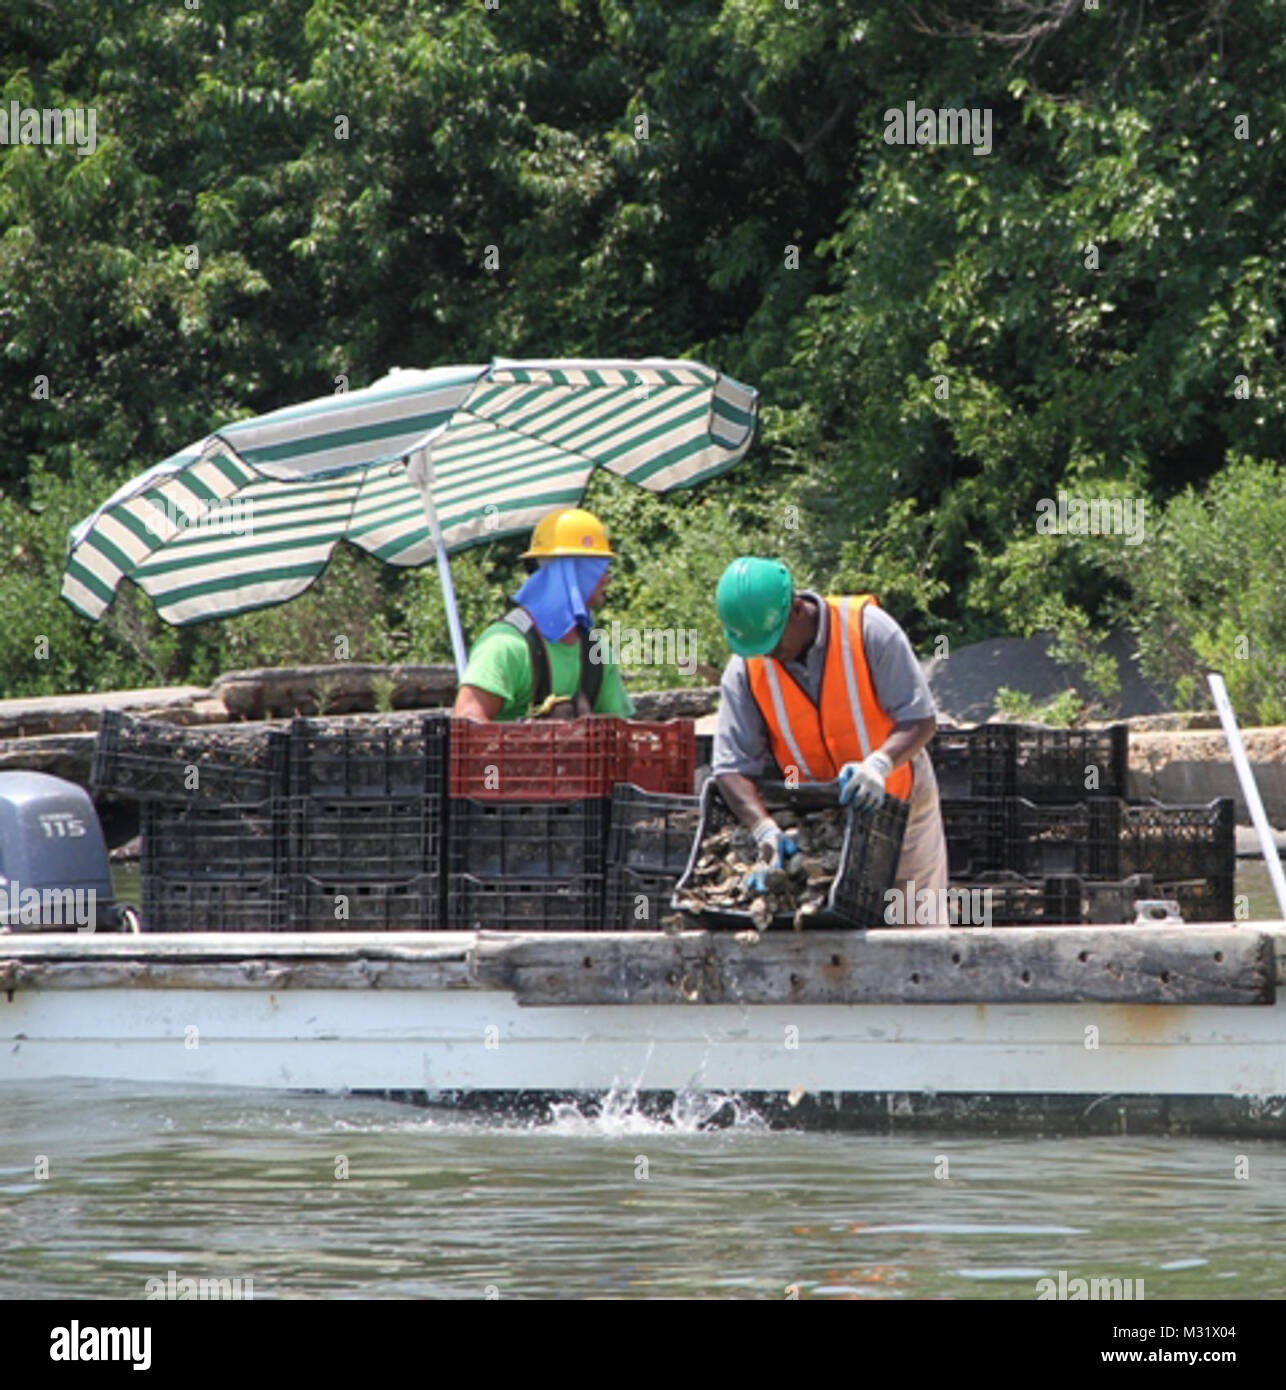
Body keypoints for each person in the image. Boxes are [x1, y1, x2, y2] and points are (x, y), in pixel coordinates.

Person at [711, 556, 948, 924]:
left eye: (772, 642)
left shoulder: (868, 630)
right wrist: (764, 828)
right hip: (822, 814)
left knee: (915, 927)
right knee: (828, 934)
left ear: (795, 609)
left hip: (899, 802)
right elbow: (730, 767)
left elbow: (920, 718)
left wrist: (879, 764)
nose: (768, 654)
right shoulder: (745, 667)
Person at [452, 507, 635, 722]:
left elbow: (621, 731)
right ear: (573, 572)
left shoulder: (596, 652)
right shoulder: (504, 646)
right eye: (600, 568)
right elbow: (468, 724)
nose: (606, 579)